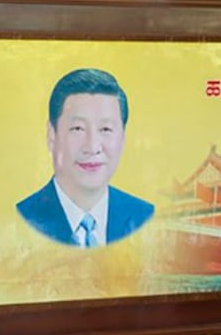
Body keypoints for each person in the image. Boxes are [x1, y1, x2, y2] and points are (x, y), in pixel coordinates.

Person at [16, 68, 154, 247]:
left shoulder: (144, 216)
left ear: (122, 138)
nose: (92, 147)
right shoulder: (20, 221)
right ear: (52, 135)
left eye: (105, 129)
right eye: (78, 129)